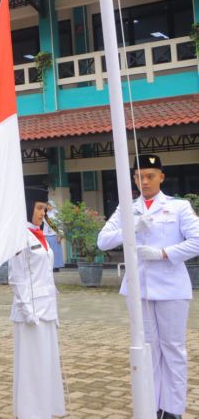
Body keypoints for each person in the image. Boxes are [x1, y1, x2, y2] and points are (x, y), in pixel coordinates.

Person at [98, 154, 199, 419]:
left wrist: (164, 253)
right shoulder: (127, 208)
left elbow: (197, 240)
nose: (144, 181)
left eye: (150, 176)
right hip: (139, 287)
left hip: (171, 286)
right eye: (139, 177)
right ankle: (152, 405)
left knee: (173, 348)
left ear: (161, 177)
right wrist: (130, 229)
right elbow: (103, 240)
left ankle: (173, 409)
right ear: (134, 179)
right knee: (148, 348)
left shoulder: (179, 207)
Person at [8, 187, 66, 419]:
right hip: (31, 312)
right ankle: (30, 413)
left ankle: (44, 410)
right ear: (28, 207)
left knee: (46, 363)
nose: (43, 213)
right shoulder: (19, 236)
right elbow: (17, 277)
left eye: (44, 209)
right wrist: (27, 310)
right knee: (31, 365)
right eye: (39, 208)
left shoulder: (39, 235)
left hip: (47, 309)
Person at [43, 201, 65, 272]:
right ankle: (49, 266)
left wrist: (60, 235)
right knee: (47, 251)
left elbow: (60, 225)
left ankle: (56, 266)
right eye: (47, 205)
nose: (48, 207)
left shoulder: (57, 215)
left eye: (50, 205)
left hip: (55, 235)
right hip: (46, 235)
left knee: (56, 251)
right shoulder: (45, 214)